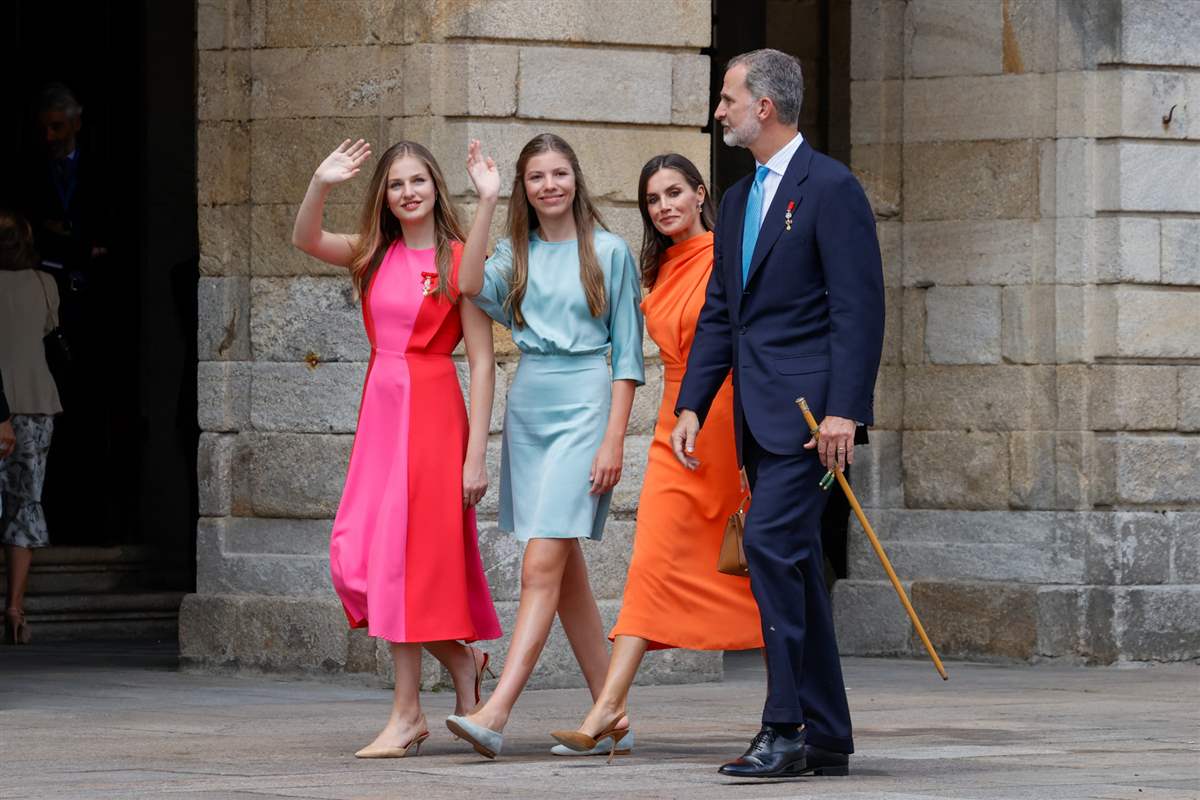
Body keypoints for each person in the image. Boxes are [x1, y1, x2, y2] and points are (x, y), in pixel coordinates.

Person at [672, 49, 885, 779]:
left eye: (728, 97)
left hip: (809, 421)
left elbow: (859, 310)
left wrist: (843, 414)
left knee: (767, 546)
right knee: (790, 563)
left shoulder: (832, 188)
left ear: (764, 106)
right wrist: (693, 403)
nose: (719, 109)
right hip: (754, 419)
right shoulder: (733, 202)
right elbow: (722, 313)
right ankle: (827, 735)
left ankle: (784, 727)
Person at [291, 138, 502, 758]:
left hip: (434, 415)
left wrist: (476, 455)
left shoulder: (460, 259)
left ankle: (407, 713)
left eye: (418, 181)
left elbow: (483, 364)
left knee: (403, 564)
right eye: (395, 184)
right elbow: (306, 238)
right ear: (384, 196)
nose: (408, 192)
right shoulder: (371, 253)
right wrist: (320, 181)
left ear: (437, 187)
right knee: (356, 558)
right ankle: (463, 664)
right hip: (381, 416)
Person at [549, 154, 764, 759]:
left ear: (701, 195)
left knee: (753, 569)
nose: (664, 206)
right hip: (675, 425)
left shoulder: (731, 254)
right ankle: (609, 706)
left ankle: (794, 701)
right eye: (652, 199)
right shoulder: (658, 267)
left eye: (675, 193)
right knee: (651, 558)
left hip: (725, 422)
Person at [445, 134, 645, 759]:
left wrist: (614, 438)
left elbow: (629, 357)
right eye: (536, 177)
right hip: (531, 406)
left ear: (576, 180)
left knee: (539, 565)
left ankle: (496, 710)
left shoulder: (609, 251)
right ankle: (610, 712)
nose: (549, 185)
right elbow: (468, 280)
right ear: (525, 188)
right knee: (567, 578)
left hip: (587, 403)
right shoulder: (515, 254)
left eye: (559, 173)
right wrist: (486, 199)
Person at [0, 210, 64, 645]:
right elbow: (47, 329)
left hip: (1, 404)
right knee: (26, 504)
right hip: (37, 403)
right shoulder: (45, 284)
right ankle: (15, 607)